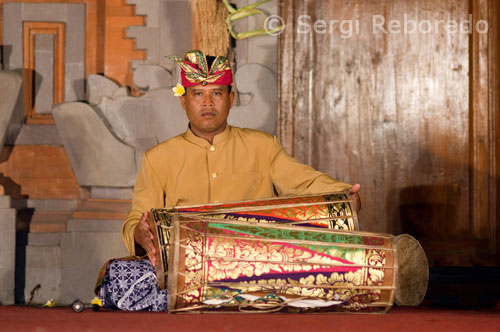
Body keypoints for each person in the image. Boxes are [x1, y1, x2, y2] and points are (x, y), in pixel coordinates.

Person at [121, 49, 361, 268]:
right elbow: (138, 217)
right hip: (185, 266)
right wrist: (139, 233)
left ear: (231, 99)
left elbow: (305, 183)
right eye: (198, 94)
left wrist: (344, 195)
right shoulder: (158, 158)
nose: (208, 103)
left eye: (216, 93)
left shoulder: (263, 146)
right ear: (183, 101)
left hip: (254, 262)